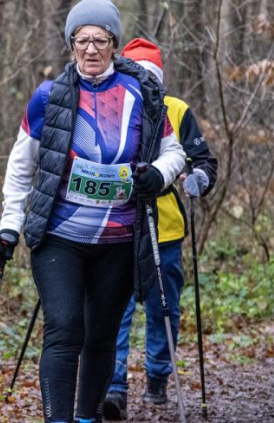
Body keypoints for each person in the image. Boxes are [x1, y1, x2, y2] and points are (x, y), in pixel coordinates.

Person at [0, 0, 186, 423]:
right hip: (60, 236)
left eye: (100, 40)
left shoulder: (143, 93)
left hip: (119, 239)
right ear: (71, 44)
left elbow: (174, 152)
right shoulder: (49, 96)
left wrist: (159, 174)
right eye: (82, 40)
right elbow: (21, 167)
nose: (91, 49)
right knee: (63, 328)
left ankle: (85, 418)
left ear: (113, 44)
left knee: (101, 337)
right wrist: (8, 227)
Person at [103, 38, 219, 421]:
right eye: (135, 75)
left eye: (149, 76)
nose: (142, 83)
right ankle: (113, 387)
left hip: (165, 228)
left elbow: (204, 159)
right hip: (114, 227)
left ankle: (156, 378)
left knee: (164, 309)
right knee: (113, 309)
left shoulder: (178, 110)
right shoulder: (107, 103)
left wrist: (198, 178)